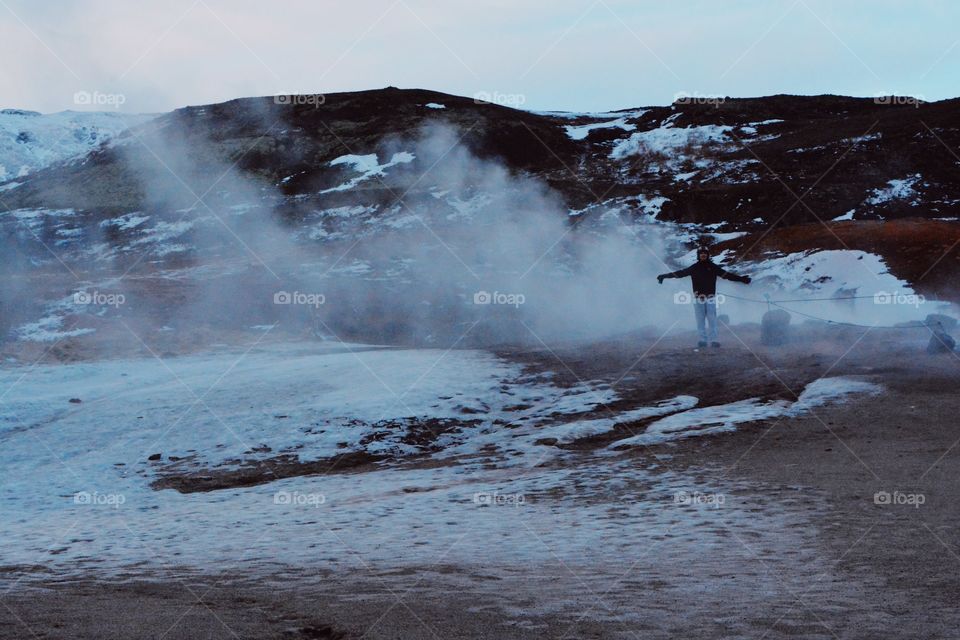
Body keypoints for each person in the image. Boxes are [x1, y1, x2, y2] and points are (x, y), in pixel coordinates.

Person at [657, 246, 751, 348]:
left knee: (712, 320)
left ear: (707, 255)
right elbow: (680, 274)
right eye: (701, 253)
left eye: (705, 253)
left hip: (710, 298)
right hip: (698, 299)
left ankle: (714, 340)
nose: (703, 255)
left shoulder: (713, 267)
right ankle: (702, 340)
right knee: (700, 320)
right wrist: (664, 276)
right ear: (698, 255)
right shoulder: (694, 267)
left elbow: (727, 275)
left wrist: (741, 279)